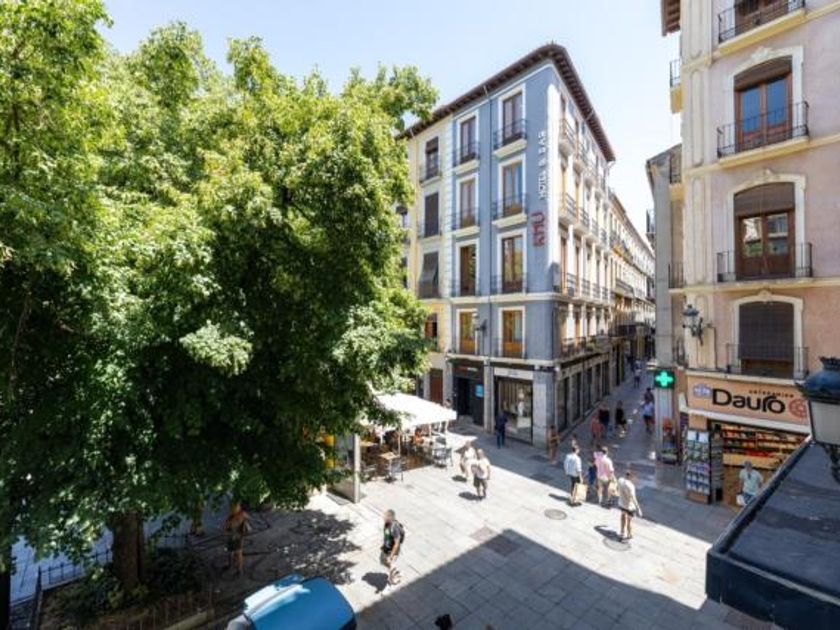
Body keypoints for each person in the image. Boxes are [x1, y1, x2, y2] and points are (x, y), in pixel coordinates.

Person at [224, 502, 251, 575]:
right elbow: (226, 527)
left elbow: (232, 525)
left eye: (235, 507)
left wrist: (239, 518)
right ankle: (230, 564)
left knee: (238, 553)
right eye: (231, 508)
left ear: (239, 507)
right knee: (230, 552)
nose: (232, 509)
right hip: (230, 537)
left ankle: (239, 569)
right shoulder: (231, 516)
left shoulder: (241, 515)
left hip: (237, 538)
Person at [380, 509, 404, 586]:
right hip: (386, 548)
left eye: (385, 516)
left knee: (391, 566)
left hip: (393, 551)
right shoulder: (386, 524)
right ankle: (396, 571)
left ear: (390, 517)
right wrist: (384, 544)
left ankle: (390, 583)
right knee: (382, 560)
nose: (383, 517)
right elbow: (387, 535)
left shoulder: (395, 528)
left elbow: (396, 543)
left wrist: (391, 556)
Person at [617, 471, 642, 541]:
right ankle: (629, 534)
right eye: (633, 477)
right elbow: (633, 498)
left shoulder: (620, 480)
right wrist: (638, 509)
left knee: (623, 517)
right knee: (629, 521)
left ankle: (622, 532)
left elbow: (617, 488)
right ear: (631, 477)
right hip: (629, 507)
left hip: (621, 504)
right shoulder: (631, 486)